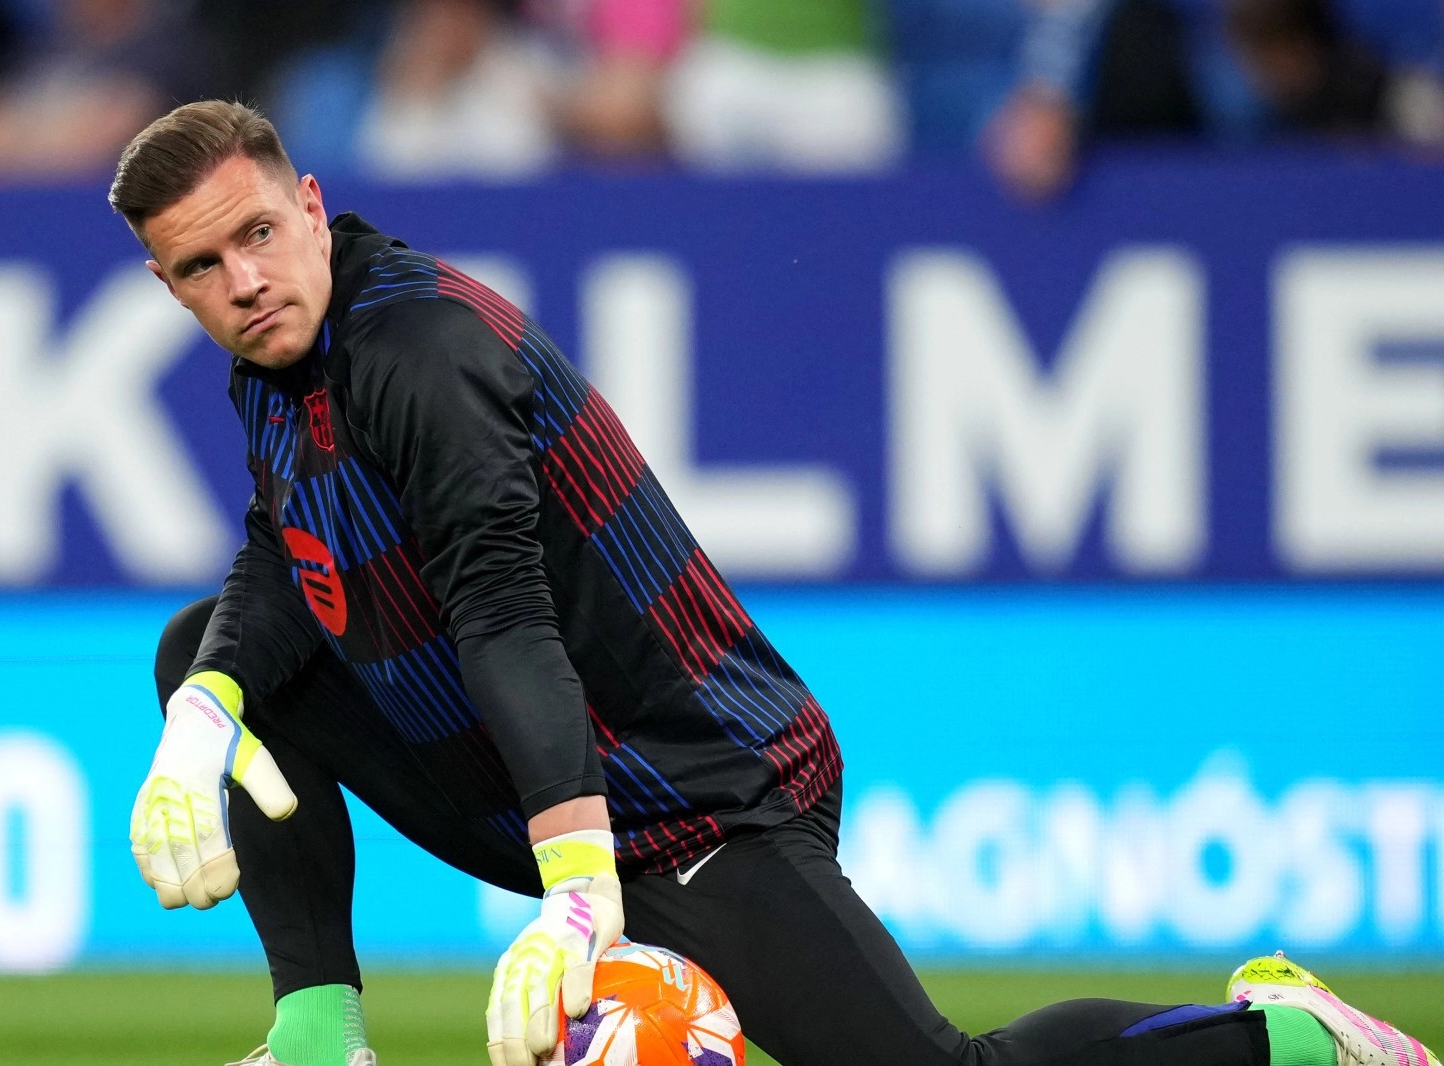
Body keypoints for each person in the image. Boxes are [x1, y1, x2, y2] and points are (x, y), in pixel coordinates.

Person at [113, 100, 1437, 1066]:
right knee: (202, 652)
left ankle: (1289, 1037)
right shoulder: (279, 359)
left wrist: (576, 888)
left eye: (258, 234)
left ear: (311, 203)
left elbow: (504, 617)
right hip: (552, 784)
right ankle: (318, 1033)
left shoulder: (422, 352)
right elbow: (286, 551)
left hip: (694, 790)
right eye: (201, 267)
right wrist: (204, 711)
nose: (244, 281)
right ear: (166, 283)